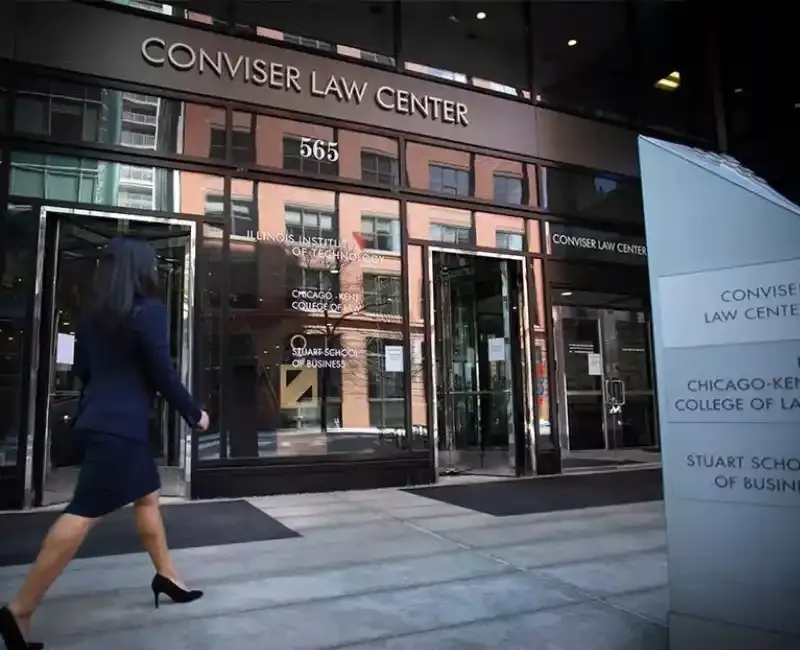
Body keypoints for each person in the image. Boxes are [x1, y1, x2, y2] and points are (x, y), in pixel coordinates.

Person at [0, 237, 210, 650]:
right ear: (141, 270)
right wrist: (194, 412)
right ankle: (19, 610)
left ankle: (167, 575)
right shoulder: (149, 312)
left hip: (98, 419)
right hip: (122, 428)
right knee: (83, 512)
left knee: (147, 496)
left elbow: (82, 370)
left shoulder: (92, 317)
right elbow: (162, 372)